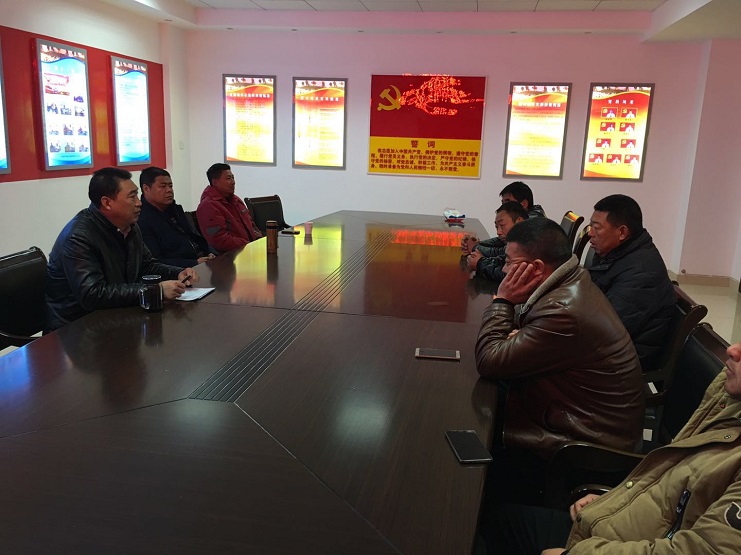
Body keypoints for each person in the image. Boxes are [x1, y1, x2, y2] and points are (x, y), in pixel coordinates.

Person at [481, 341, 741, 555]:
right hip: (614, 528)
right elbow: (674, 484)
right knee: (492, 520)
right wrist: (614, 502)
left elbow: (704, 550)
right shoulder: (732, 403)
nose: (732, 350)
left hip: (610, 544)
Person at [475, 217, 644, 459]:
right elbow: (521, 325)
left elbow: (489, 361)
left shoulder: (563, 311)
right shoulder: (572, 279)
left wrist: (503, 301)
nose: (503, 269)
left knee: (473, 418)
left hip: (587, 447)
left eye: (509, 262)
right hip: (579, 418)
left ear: (536, 268)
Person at [45, 167, 198, 332]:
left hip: (115, 317)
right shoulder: (79, 237)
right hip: (76, 330)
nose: (139, 202)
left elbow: (146, 265)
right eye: (132, 197)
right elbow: (93, 294)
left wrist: (177, 272)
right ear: (107, 203)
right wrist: (156, 290)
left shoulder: (129, 226)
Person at [587, 194, 675, 369]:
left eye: (596, 228)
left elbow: (605, 331)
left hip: (623, 361)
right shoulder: (614, 254)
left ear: (622, 232)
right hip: (609, 346)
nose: (590, 233)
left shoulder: (641, 274)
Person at [137, 166, 214, 267]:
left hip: (202, 261)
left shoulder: (175, 209)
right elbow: (156, 262)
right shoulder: (142, 219)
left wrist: (208, 253)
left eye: (170, 186)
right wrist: (194, 263)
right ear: (146, 189)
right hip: (181, 271)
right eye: (163, 186)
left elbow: (193, 237)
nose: (169, 190)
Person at [461, 181, 545, 254]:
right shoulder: (526, 219)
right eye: (503, 202)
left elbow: (505, 252)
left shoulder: (533, 225)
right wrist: (479, 244)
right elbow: (501, 241)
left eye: (508, 202)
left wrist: (475, 247)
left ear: (524, 204)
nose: (504, 206)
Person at [196, 163, 262, 253]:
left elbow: (251, 224)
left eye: (233, 177)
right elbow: (219, 240)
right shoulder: (208, 206)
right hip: (231, 256)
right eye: (228, 178)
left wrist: (259, 239)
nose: (233, 182)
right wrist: (249, 245)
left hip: (248, 250)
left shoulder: (236, 200)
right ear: (215, 182)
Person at [466, 201, 528, 281]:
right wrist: (478, 251)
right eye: (496, 227)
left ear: (519, 222)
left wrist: (480, 263)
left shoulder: (530, 245)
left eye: (502, 225)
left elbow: (508, 275)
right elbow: (501, 259)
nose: (498, 232)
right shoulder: (515, 241)